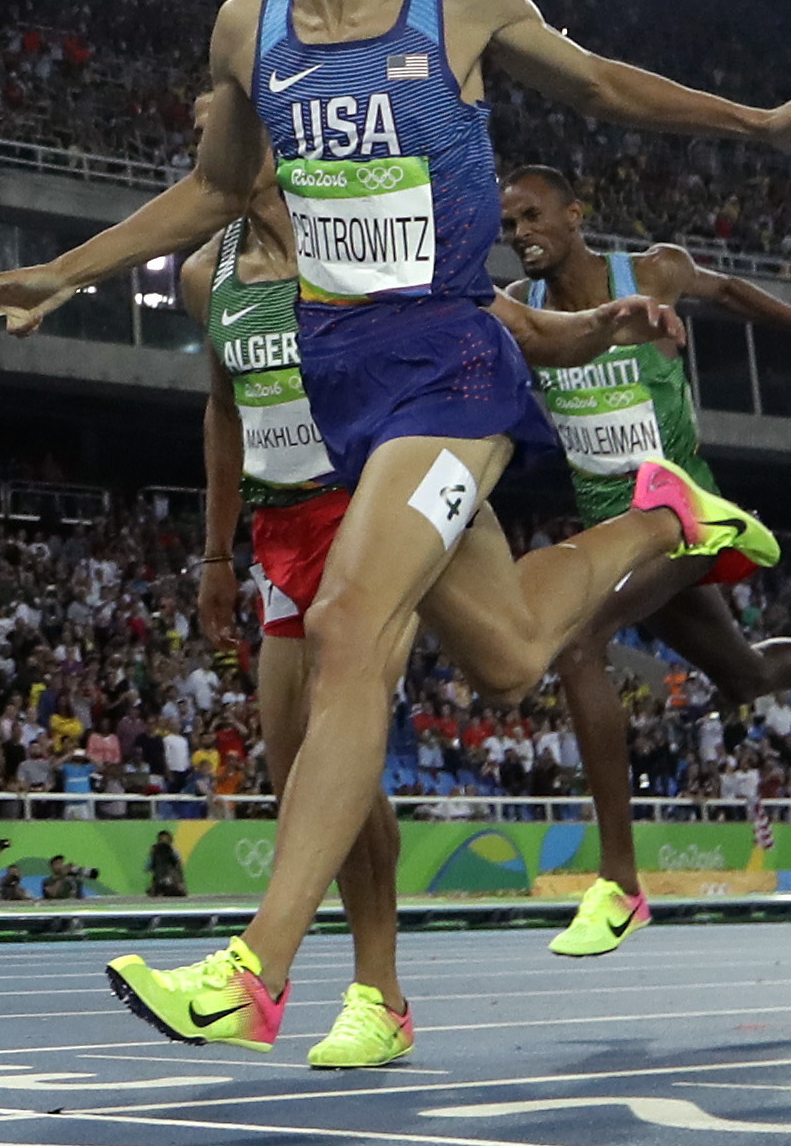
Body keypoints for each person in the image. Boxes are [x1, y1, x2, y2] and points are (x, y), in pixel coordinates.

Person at [0, 0, 791, 1056]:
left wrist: (758, 122)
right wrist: (62, 270)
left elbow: (598, 87)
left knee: (347, 624)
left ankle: (256, 973)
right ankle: (663, 515)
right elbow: (212, 191)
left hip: (454, 360)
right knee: (508, 654)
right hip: (341, 383)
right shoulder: (244, 26)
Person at [174, 146, 695, 1066]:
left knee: (346, 720)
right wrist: (218, 551)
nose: (210, 153)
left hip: (378, 495)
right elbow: (224, 408)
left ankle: (337, 987)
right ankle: (662, 518)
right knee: (360, 739)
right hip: (281, 523)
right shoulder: (201, 274)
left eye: (227, 130)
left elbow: (513, 326)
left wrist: (602, 324)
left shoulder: (364, 237)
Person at [499, 163, 791, 955]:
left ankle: (620, 884)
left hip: (680, 517)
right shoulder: (523, 312)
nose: (520, 234)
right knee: (744, 676)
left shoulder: (651, 273)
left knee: (579, 645)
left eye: (532, 216)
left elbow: (729, 291)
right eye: (509, 226)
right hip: (610, 532)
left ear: (575, 214)